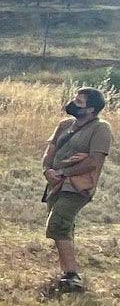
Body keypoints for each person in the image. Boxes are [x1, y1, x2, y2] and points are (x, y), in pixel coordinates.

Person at [42, 87, 111, 292]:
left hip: (78, 186)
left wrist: (62, 172)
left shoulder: (101, 129)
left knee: (58, 224)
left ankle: (72, 275)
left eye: (79, 103)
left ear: (90, 109)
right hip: (56, 184)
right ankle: (67, 273)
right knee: (63, 227)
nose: (73, 104)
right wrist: (47, 169)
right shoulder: (65, 125)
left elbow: (93, 162)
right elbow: (50, 150)